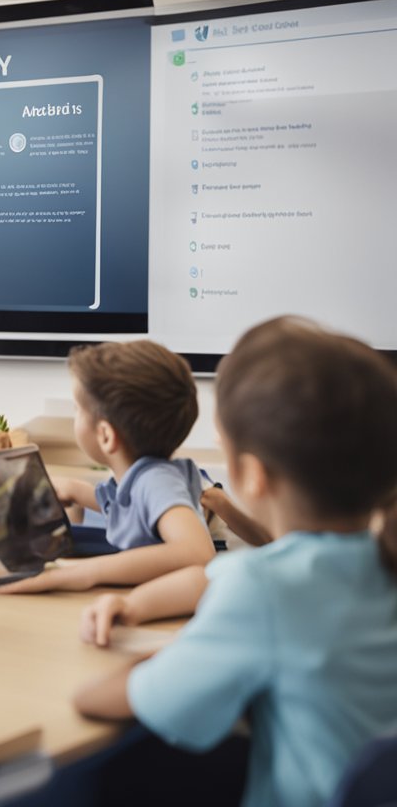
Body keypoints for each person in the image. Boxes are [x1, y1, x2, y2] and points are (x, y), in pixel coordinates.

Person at [74, 317, 397, 807]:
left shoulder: (261, 586)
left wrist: (165, 654)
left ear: (251, 475)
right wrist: (141, 609)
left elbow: (99, 700)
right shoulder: (380, 561)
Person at [0, 339, 215, 594]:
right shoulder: (146, 475)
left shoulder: (156, 481)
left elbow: (197, 553)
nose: (75, 416)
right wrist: (78, 491)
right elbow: (137, 512)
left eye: (78, 409)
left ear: (105, 436)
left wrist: (87, 572)